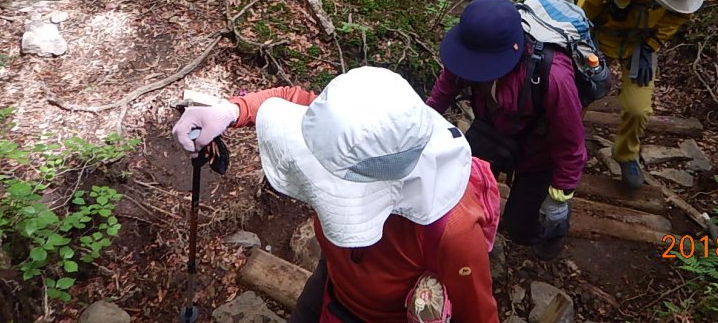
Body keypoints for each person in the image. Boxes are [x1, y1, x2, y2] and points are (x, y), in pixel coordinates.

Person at [172, 67, 501, 323]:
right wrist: (230, 110)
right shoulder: (359, 125)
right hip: (332, 277)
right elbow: (295, 102)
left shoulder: (451, 230)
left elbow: (478, 314)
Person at [427, 0, 587, 261]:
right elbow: (442, 94)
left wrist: (559, 198)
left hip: (538, 153)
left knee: (520, 227)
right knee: (460, 189)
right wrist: (419, 126)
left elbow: (570, 144)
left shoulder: (554, 76)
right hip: (492, 131)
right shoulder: (471, 50)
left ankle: (553, 232)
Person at [577, 0, 707, 189]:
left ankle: (626, 155)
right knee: (579, 95)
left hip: (639, 47)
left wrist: (651, 46)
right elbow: (582, 13)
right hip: (599, 39)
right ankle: (568, 145)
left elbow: (677, 18)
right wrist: (582, 46)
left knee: (639, 109)